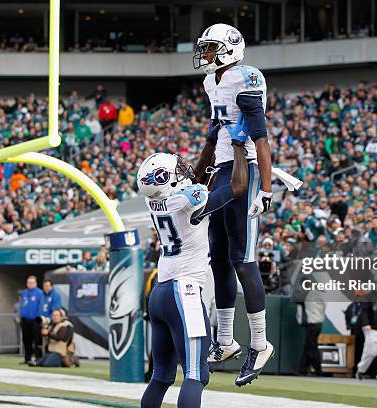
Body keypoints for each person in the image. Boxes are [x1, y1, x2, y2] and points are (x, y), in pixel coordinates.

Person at [137, 132, 249, 407]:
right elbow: (237, 186)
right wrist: (237, 147)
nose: (185, 169)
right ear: (168, 179)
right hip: (183, 292)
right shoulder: (188, 201)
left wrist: (211, 142)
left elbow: (194, 177)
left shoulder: (154, 201)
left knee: (161, 376)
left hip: (161, 292)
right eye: (177, 169)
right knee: (196, 374)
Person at [193, 23, 275, 386]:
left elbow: (260, 137)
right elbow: (215, 133)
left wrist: (266, 189)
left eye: (210, 48)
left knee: (243, 258)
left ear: (229, 49)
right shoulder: (213, 82)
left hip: (248, 171)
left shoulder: (245, 78)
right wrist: (196, 176)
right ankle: (225, 340)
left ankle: (260, 343)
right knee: (219, 257)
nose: (206, 54)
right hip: (223, 170)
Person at [295, 274, 327, 376]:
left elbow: (296, 298)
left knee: (312, 347)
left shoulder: (307, 294)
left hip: (312, 323)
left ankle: (318, 370)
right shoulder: (318, 293)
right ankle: (302, 369)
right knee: (308, 346)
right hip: (318, 322)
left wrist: (300, 290)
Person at [20, 275, 43, 364]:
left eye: (32, 282)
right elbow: (22, 305)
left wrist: (38, 318)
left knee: (36, 340)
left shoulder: (39, 293)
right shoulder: (24, 293)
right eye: (28, 282)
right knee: (26, 340)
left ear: (35, 283)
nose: (30, 284)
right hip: (25, 320)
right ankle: (27, 358)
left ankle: (38, 358)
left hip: (34, 320)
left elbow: (40, 306)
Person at [345, 289, 367, 371]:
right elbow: (347, 317)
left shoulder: (366, 306)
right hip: (354, 332)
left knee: (364, 351)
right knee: (354, 351)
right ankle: (354, 369)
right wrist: (349, 326)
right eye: (357, 296)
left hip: (364, 332)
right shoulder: (351, 306)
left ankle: (364, 369)